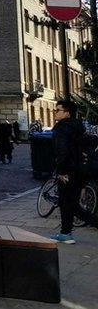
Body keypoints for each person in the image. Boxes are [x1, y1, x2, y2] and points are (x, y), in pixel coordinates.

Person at [51, 99, 98, 244]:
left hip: (68, 172)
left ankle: (66, 233)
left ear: (67, 113)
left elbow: (62, 152)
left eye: (58, 110)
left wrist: (61, 172)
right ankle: (65, 233)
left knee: (70, 205)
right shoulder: (78, 128)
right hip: (80, 172)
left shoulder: (62, 128)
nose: (55, 113)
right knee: (67, 203)